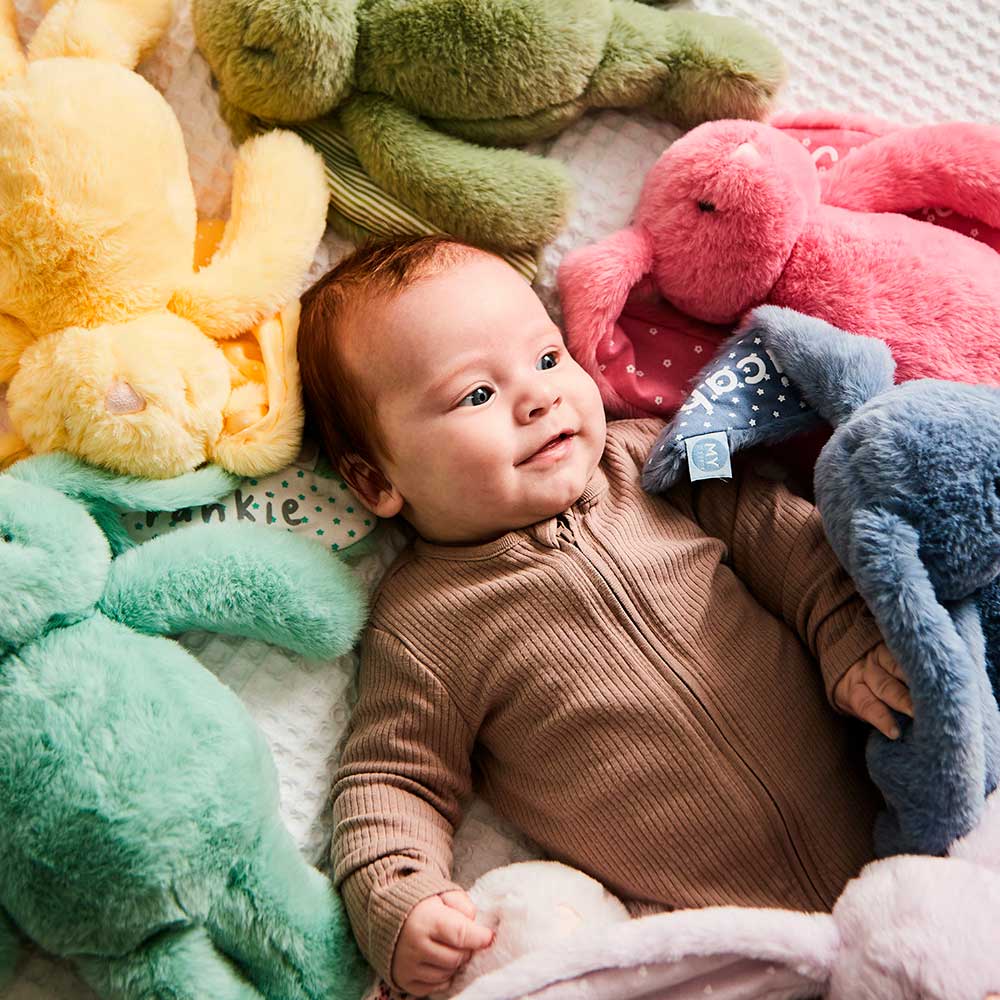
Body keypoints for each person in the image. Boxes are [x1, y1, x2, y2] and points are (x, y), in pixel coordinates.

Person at [298, 235, 912, 998]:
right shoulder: (425, 625)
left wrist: (848, 634)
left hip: (900, 815)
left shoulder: (659, 460)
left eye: (548, 359)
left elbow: (782, 529)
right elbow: (393, 779)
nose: (539, 396)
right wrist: (401, 898)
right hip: (722, 945)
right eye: (477, 394)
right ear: (374, 479)